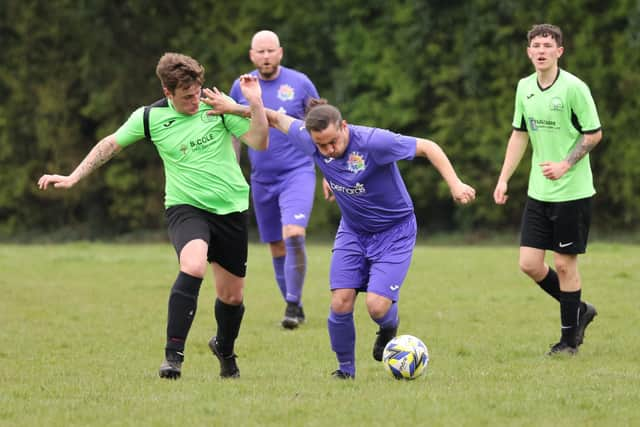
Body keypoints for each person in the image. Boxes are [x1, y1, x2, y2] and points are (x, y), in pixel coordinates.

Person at [204, 94, 476, 378]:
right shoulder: (309, 140)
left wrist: (455, 184)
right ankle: (346, 371)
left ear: (344, 126)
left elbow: (428, 147)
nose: (329, 150)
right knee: (340, 301)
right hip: (353, 231)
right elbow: (271, 116)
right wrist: (232, 107)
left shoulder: (373, 142)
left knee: (376, 306)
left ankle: (387, 327)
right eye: (321, 145)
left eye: (333, 142)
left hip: (394, 230)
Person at [37, 52, 269, 379]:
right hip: (185, 206)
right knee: (192, 265)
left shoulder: (218, 104)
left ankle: (225, 349)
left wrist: (254, 103)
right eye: (186, 96)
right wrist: (74, 176)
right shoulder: (149, 118)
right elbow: (110, 145)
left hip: (231, 208)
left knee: (232, 297)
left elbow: (259, 140)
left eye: (197, 92)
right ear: (167, 92)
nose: (195, 100)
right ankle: (172, 357)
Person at [493, 24, 602, 355]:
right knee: (528, 263)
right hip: (538, 192)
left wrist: (565, 165)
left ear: (559, 52)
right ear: (528, 52)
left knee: (566, 264)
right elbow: (519, 135)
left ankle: (568, 341)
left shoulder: (574, 89)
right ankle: (580, 309)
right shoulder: (524, 87)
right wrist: (503, 178)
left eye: (547, 45)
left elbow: (594, 133)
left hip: (573, 191)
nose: (541, 50)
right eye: (536, 45)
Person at [228, 30, 320, 329]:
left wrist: (332, 169)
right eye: (260, 52)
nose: (266, 56)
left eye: (271, 51)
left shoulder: (300, 83)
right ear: (252, 55)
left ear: (280, 52)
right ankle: (294, 304)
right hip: (262, 179)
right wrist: (231, 170)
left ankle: (292, 305)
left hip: (298, 172)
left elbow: (322, 127)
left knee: (294, 233)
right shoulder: (241, 87)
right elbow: (232, 132)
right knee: (276, 246)